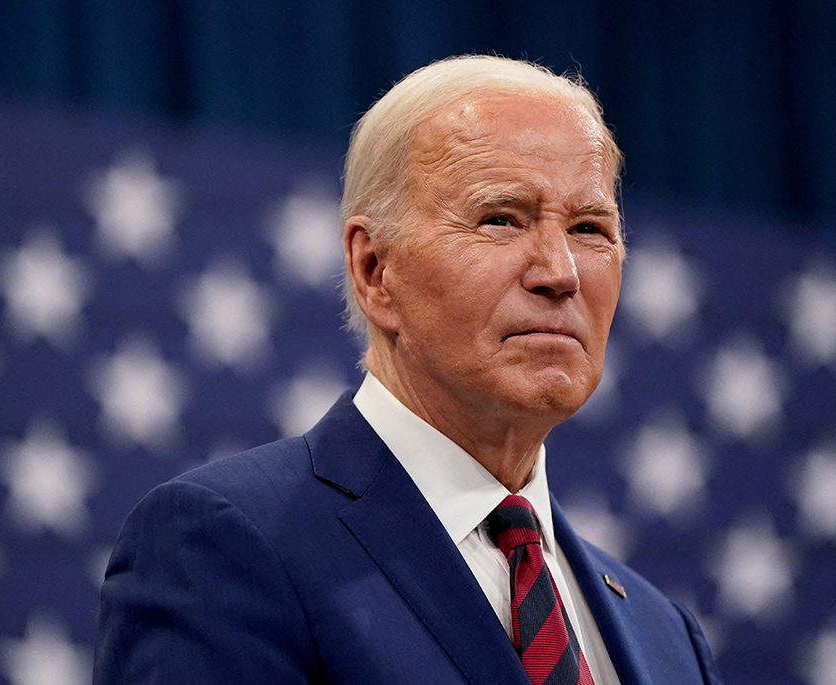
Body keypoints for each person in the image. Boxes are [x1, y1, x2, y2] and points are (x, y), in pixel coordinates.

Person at [93, 55, 722, 684]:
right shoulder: (224, 548)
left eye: (590, 228)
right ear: (375, 271)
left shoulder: (665, 635)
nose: (560, 273)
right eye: (500, 219)